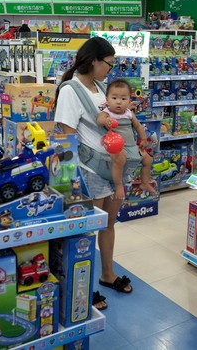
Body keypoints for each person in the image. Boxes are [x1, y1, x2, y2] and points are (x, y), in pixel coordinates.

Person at [53, 37, 133, 311]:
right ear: (94, 61)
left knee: (108, 224)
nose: (110, 69)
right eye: (108, 64)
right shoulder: (70, 91)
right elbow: (66, 136)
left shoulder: (101, 88)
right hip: (89, 171)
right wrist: (72, 181)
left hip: (112, 167)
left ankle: (107, 274)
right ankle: (82, 286)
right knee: (86, 232)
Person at [97, 79, 157, 200]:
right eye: (114, 98)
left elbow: (138, 126)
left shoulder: (129, 113)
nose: (118, 102)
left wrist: (144, 139)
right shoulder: (107, 112)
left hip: (131, 145)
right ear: (107, 100)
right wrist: (105, 121)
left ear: (129, 100)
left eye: (123, 99)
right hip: (116, 147)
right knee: (120, 159)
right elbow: (99, 121)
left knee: (148, 160)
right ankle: (119, 185)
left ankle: (144, 182)